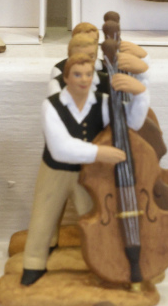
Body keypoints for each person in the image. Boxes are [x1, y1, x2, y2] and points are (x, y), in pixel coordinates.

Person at [19, 49, 150, 288]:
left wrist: (141, 94)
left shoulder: (102, 102)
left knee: (95, 220)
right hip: (55, 171)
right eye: (77, 74)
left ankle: (102, 265)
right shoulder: (51, 106)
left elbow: (131, 122)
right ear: (66, 78)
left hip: (89, 174)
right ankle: (33, 264)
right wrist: (99, 153)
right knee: (43, 218)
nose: (84, 79)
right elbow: (59, 147)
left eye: (88, 74)